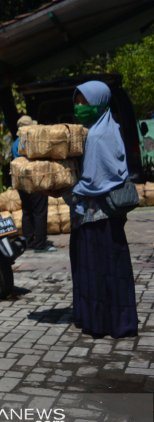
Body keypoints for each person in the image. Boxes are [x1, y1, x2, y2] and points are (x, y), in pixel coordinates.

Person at [66, 80, 138, 338]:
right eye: (77, 101)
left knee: (97, 269)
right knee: (112, 268)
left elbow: (96, 180)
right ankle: (115, 319)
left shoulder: (97, 135)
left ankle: (100, 321)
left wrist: (72, 188)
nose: (79, 106)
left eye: (83, 101)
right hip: (104, 217)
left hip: (97, 217)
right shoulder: (109, 126)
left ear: (98, 102)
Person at [11, 115, 56, 253]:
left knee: (27, 211)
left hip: (21, 181)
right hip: (35, 179)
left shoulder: (15, 143)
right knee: (40, 211)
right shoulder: (31, 141)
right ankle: (40, 244)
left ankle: (29, 240)